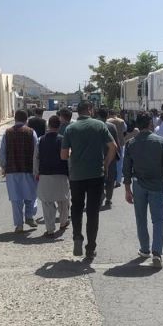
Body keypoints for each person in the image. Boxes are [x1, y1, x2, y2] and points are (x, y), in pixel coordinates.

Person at [61, 100, 117, 259]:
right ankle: (90, 248)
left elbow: (63, 155)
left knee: (77, 208)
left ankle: (77, 236)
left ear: (78, 112)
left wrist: (74, 155)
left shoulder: (70, 128)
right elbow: (113, 147)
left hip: (76, 175)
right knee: (93, 212)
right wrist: (106, 163)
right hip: (96, 174)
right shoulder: (99, 125)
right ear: (90, 110)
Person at [124, 111, 163, 268]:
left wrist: (127, 188)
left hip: (138, 184)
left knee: (141, 218)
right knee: (158, 220)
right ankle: (157, 252)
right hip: (157, 184)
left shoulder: (131, 143)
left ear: (137, 125)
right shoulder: (160, 141)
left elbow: (126, 168)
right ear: (151, 124)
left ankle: (144, 249)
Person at [0, 109, 39, 233]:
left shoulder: (7, 133)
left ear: (15, 119)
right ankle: (29, 216)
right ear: (26, 119)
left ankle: (19, 225)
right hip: (28, 169)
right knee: (31, 195)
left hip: (12, 170)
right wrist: (37, 168)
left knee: (16, 199)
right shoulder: (31, 132)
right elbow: (36, 151)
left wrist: (3, 166)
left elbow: (2, 152)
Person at [35, 114, 71, 237]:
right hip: (61, 174)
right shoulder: (64, 140)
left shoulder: (40, 140)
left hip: (45, 175)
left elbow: (36, 158)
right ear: (59, 126)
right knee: (63, 201)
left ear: (48, 125)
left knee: (47, 203)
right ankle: (63, 222)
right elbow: (68, 158)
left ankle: (50, 229)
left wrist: (36, 172)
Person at [97, 107, 121, 208]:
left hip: (98, 156)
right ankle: (108, 199)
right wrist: (118, 153)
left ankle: (101, 195)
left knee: (99, 178)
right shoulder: (112, 126)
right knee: (110, 179)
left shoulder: (95, 126)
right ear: (107, 116)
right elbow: (116, 142)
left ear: (97, 115)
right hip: (111, 156)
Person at [108, 109, 127, 187]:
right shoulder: (121, 121)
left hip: (110, 143)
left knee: (110, 162)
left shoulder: (108, 121)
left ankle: (110, 180)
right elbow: (125, 129)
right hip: (120, 143)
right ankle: (118, 181)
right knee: (120, 162)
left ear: (109, 114)